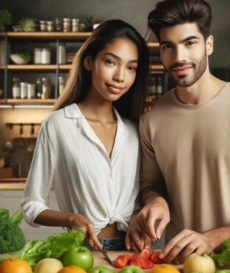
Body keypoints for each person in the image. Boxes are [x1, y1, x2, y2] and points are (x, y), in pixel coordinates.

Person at [126, 0, 230, 263]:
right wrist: (155, 200)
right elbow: (150, 185)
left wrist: (212, 238)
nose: (179, 57)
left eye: (190, 43)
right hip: (176, 265)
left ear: (208, 44)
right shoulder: (151, 118)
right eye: (168, 46)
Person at [20, 19, 150, 251]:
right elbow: (31, 205)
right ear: (89, 61)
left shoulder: (134, 128)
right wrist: (71, 219)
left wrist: (136, 218)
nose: (121, 76)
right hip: (84, 252)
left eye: (131, 67)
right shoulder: (58, 125)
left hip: (133, 251)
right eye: (111, 62)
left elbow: (138, 197)